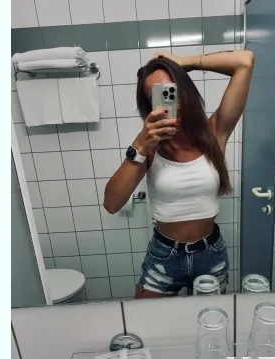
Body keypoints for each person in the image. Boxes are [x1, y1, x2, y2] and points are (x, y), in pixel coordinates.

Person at [104, 50, 255, 298]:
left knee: (209, 319)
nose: (171, 101)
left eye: (173, 90)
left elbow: (245, 62)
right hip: (164, 256)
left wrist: (185, 63)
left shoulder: (214, 134)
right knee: (145, 320)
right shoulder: (149, 148)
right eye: (160, 95)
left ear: (186, 90)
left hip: (210, 253)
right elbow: (111, 203)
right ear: (151, 106)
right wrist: (140, 144)